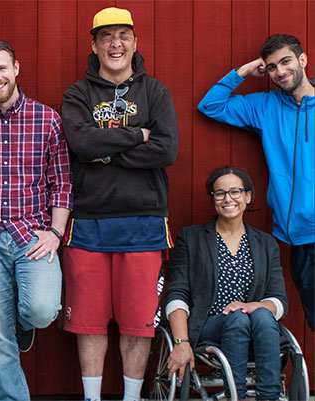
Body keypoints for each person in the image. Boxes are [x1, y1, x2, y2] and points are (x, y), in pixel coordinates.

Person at [60, 7, 179, 401]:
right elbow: (81, 143)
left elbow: (166, 150)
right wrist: (138, 135)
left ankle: (132, 398)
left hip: (144, 222)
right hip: (89, 222)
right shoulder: (78, 93)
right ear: (94, 45)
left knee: (137, 324)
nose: (116, 43)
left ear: (134, 42)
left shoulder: (155, 91)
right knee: (90, 323)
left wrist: (105, 151)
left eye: (123, 35)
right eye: (106, 36)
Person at [0, 40, 73, 401]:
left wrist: (56, 231)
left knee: (41, 310)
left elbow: (63, 182)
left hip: (33, 234)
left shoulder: (47, 119)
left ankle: (24, 322)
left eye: (2, 68)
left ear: (16, 69)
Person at [198, 34, 314, 331]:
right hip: (298, 238)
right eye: (272, 67)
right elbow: (211, 105)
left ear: (303, 59)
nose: (280, 72)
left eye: (286, 61)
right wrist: (247, 69)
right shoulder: (265, 106)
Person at [166, 166, 288, 401]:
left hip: (257, 327)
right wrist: (181, 341)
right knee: (238, 317)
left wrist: (254, 305)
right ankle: (237, 396)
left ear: (248, 196)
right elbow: (177, 292)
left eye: (235, 191)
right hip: (209, 324)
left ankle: (269, 397)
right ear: (213, 198)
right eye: (220, 193)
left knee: (261, 314)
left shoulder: (266, 243)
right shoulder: (191, 238)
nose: (227, 199)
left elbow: (279, 299)